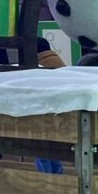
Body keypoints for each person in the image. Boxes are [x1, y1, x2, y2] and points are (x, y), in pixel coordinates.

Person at [34, 38, 66, 174]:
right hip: (61, 114)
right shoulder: (60, 63)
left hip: (43, 113)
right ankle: (59, 179)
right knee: (54, 152)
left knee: (42, 151)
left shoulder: (39, 66)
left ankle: (47, 182)